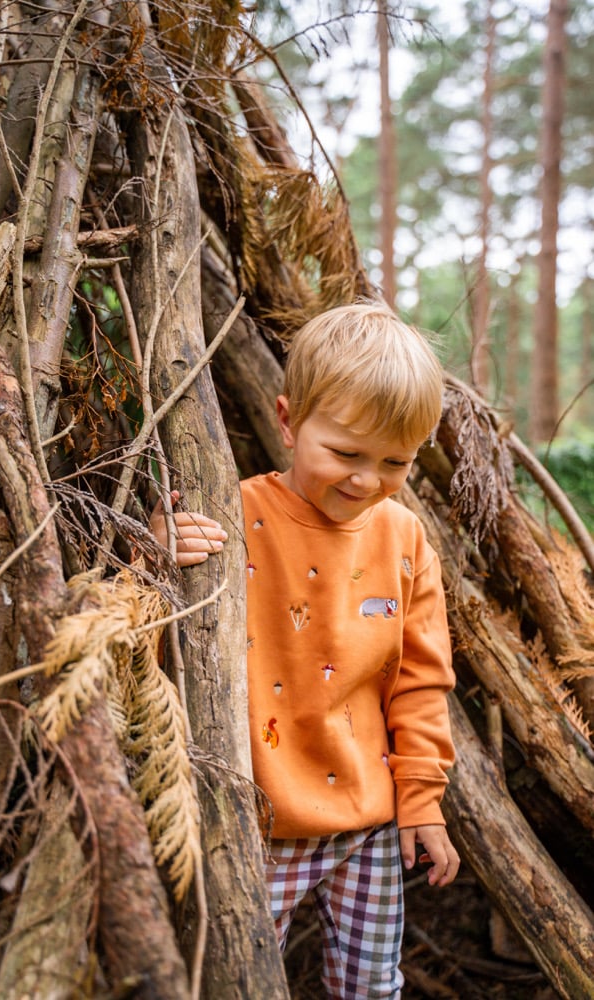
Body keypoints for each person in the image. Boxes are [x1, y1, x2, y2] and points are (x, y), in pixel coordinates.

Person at [154, 300, 459, 999]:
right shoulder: (233, 514)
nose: (365, 480)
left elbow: (419, 680)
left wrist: (420, 802)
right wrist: (157, 551)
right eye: (346, 454)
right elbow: (161, 638)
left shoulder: (406, 540)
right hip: (259, 822)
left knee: (369, 985)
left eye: (394, 462)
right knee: (240, 976)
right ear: (288, 421)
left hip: (369, 826)